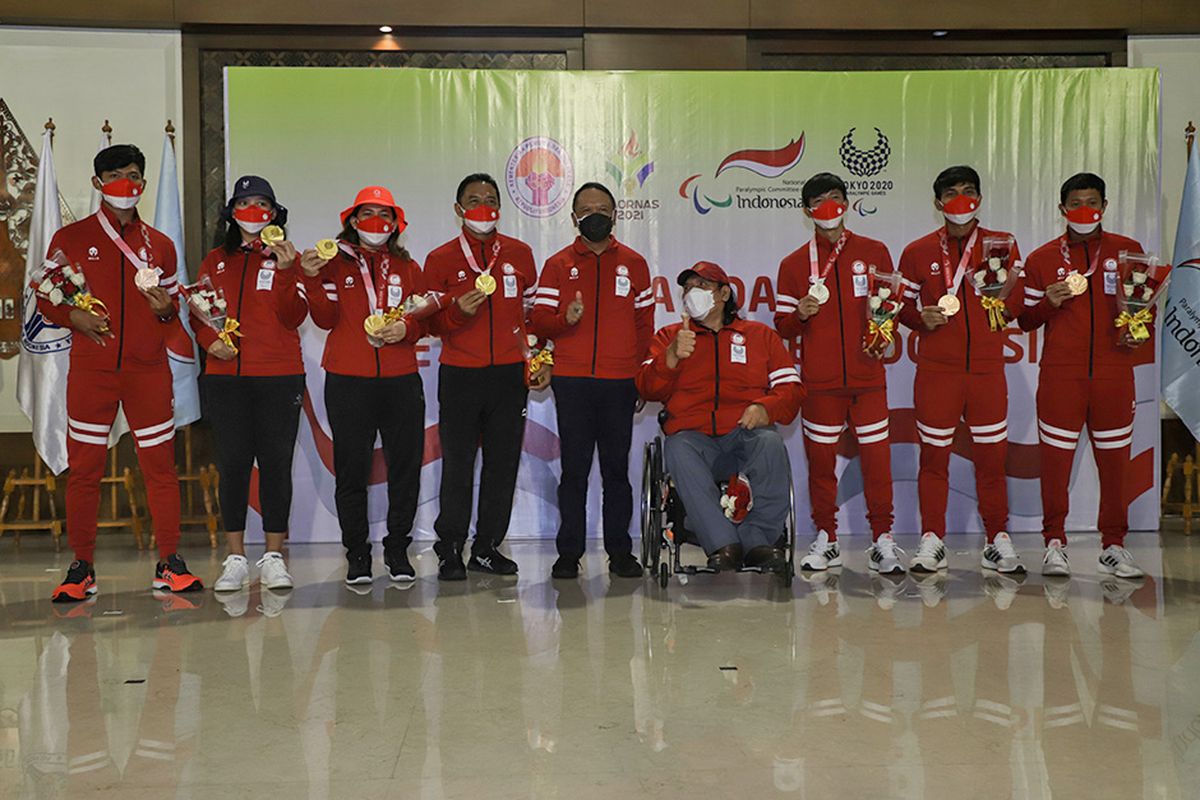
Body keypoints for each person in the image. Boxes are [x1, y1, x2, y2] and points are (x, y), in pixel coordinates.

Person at [44, 143, 202, 601]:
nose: (125, 184)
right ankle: (81, 567)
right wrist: (74, 318)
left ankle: (169, 562)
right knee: (85, 471)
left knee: (160, 469)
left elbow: (172, 316)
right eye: (114, 175)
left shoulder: (162, 245)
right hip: (92, 371)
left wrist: (167, 311)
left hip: (148, 371)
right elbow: (48, 300)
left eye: (133, 175)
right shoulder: (70, 239)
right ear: (97, 183)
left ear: (145, 183)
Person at [1018, 172, 1149, 579]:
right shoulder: (1041, 259)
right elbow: (1022, 319)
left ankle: (1113, 545)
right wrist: (1049, 305)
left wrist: (1137, 324)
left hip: (1114, 374)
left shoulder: (1129, 253)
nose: (1084, 210)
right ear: (1062, 210)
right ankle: (1054, 543)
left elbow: (1145, 308)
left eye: (1092, 202)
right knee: (1054, 465)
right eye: (1075, 204)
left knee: (1115, 465)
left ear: (1105, 206)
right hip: (1062, 376)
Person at [897, 165, 1026, 574]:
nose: (961, 200)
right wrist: (921, 318)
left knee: (992, 460)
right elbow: (895, 305)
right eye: (951, 193)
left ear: (980, 198)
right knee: (934, 460)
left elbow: (1017, 302)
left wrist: (1002, 307)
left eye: (969, 191)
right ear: (938, 204)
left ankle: (997, 538)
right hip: (938, 372)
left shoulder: (1002, 246)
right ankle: (932, 538)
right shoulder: (917, 252)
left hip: (987, 371)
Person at [299, 186, 429, 586]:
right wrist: (312, 277)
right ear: (353, 221)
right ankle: (357, 554)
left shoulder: (408, 268)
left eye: (385, 215)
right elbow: (322, 318)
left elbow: (423, 317)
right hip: (348, 380)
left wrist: (405, 328)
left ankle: (397, 551)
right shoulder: (333, 262)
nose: (377, 223)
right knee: (351, 471)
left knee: (405, 470)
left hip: (401, 379)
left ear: (396, 224)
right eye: (368, 214)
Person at [637, 261, 803, 571]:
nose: (691, 294)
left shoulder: (759, 336)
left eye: (701, 287)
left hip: (744, 436)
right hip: (694, 440)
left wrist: (767, 407)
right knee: (676, 447)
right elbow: (646, 387)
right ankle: (723, 544)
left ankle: (758, 541)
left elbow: (791, 390)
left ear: (724, 293)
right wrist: (670, 357)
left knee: (770, 443)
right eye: (687, 289)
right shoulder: (670, 336)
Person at [774, 172, 902, 574]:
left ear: (846, 202)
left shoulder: (875, 250)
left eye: (835, 197)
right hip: (821, 383)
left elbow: (888, 308)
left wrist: (883, 337)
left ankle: (883, 539)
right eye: (818, 201)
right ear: (806, 211)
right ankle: (826, 537)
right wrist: (798, 314)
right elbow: (782, 325)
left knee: (878, 463)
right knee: (821, 464)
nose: (828, 206)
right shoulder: (793, 264)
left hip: (868, 380)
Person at [423, 173, 548, 581]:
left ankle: (488, 547)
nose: (482, 205)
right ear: (458, 209)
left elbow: (534, 317)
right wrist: (459, 312)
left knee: (502, 464)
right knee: (458, 464)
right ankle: (450, 547)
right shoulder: (440, 259)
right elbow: (428, 323)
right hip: (460, 373)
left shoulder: (521, 254)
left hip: (508, 375)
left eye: (490, 198)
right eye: (473, 199)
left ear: (500, 206)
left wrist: (540, 357)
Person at [531, 182, 654, 580]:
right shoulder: (556, 264)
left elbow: (644, 325)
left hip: (620, 382)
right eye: (586, 209)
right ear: (573, 218)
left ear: (615, 215)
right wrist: (563, 320)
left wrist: (641, 376)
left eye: (602, 208)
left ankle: (620, 552)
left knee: (616, 472)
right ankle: (569, 553)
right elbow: (538, 323)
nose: (594, 214)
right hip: (573, 381)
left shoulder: (635, 263)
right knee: (575, 471)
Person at [200, 176, 307, 594]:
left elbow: (295, 314)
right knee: (233, 465)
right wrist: (212, 343)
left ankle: (275, 557)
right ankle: (235, 558)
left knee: (277, 465)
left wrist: (284, 271)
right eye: (244, 203)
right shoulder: (215, 260)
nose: (253, 210)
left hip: (279, 376)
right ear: (231, 212)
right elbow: (199, 311)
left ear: (275, 213)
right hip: (225, 378)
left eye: (262, 203)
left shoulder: (286, 258)